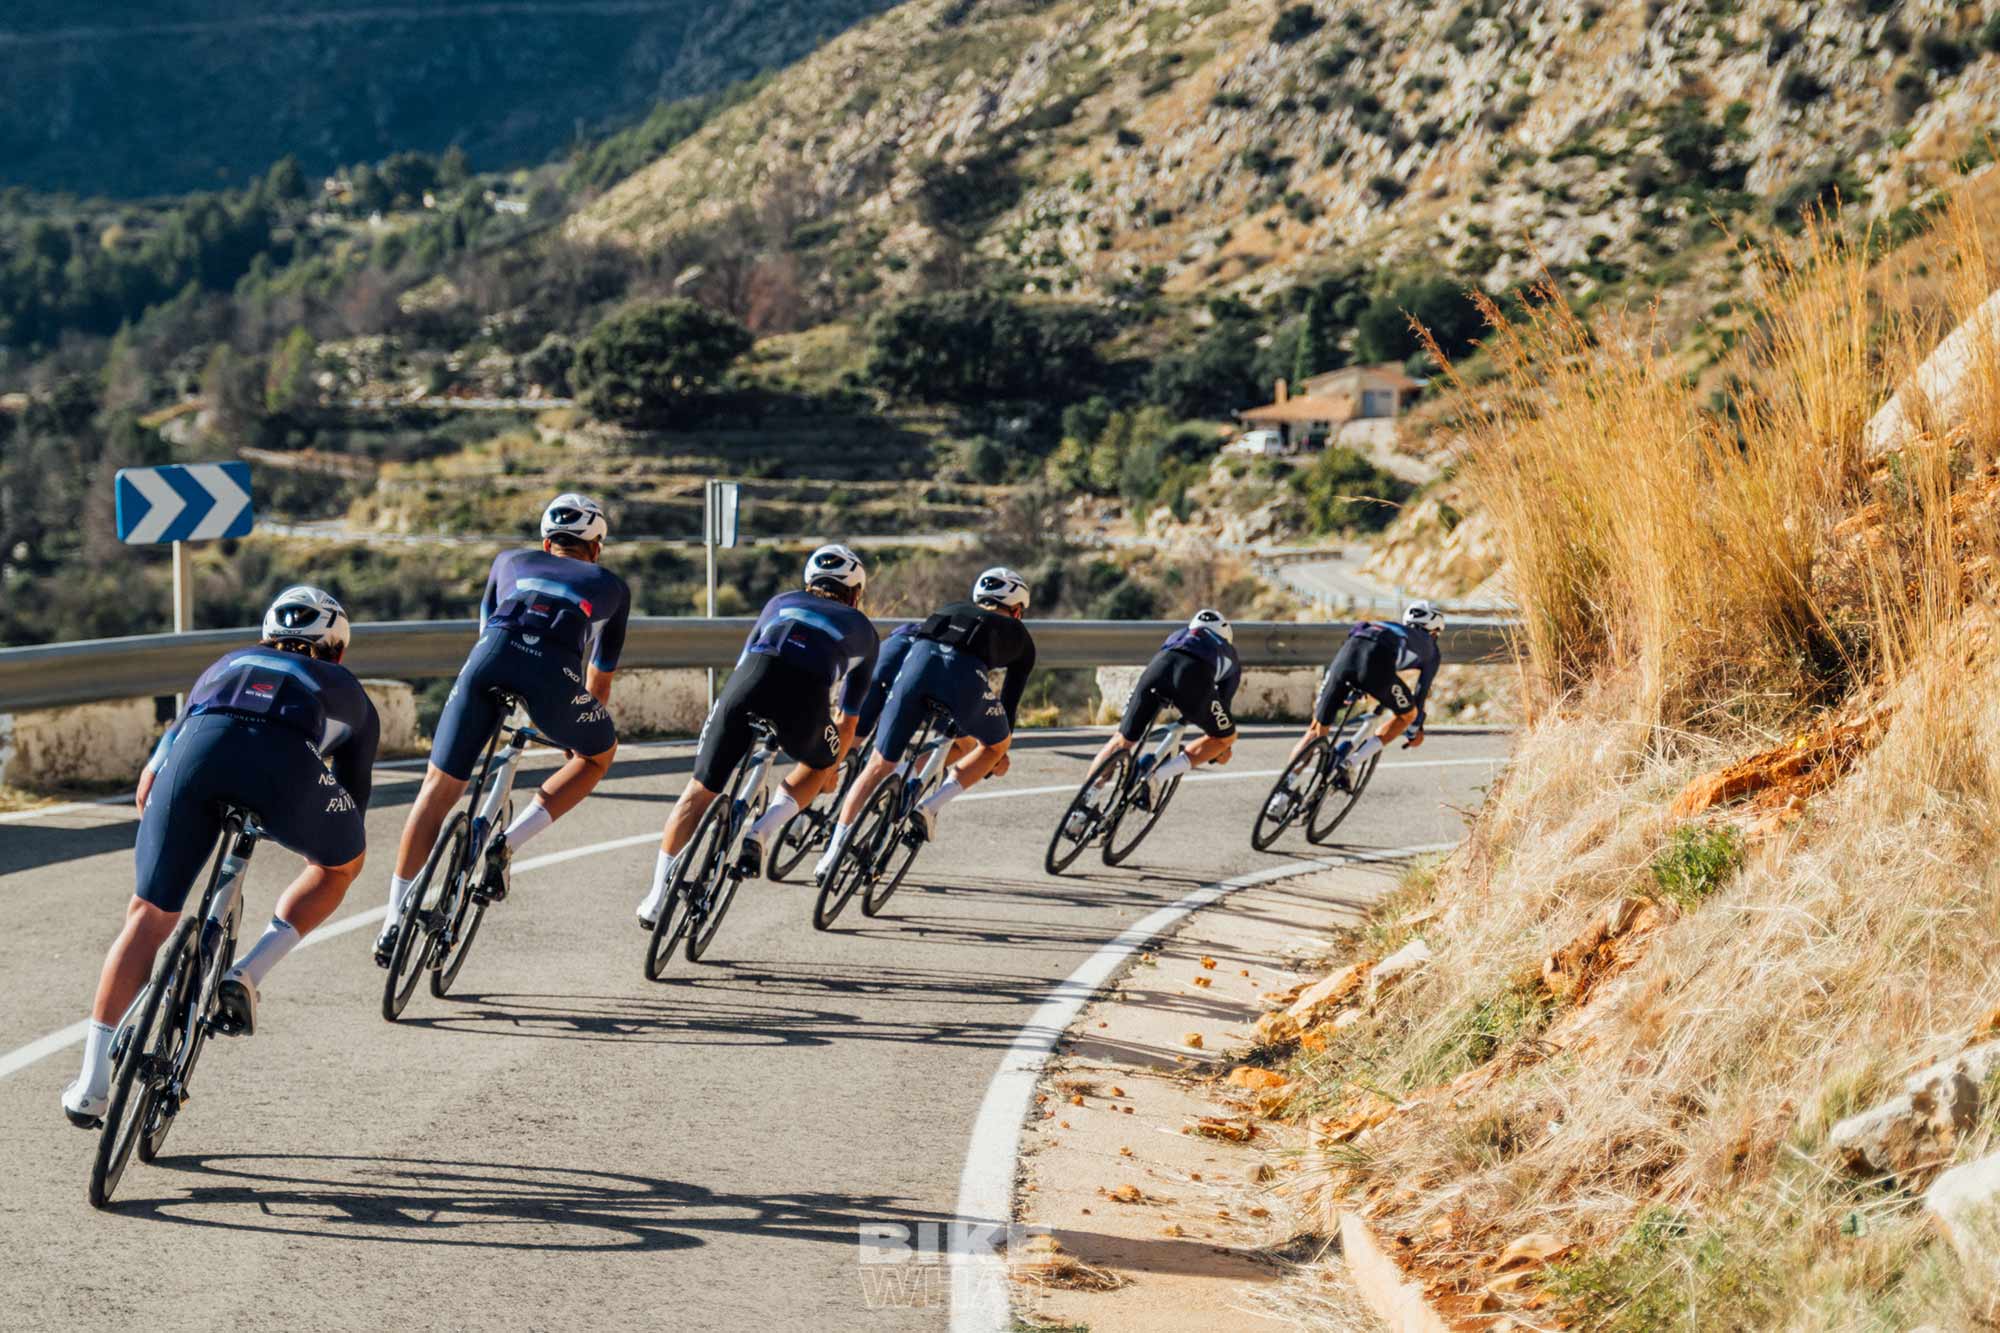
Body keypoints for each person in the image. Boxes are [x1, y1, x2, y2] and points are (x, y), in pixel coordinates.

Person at [62, 587, 380, 1126]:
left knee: (147, 916)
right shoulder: (347, 688)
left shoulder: (225, 664)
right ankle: (248, 973)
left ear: (266, 634)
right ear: (338, 650)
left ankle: (91, 1085)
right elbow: (352, 802)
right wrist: (299, 820)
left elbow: (149, 782)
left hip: (196, 755)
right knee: (342, 865)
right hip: (285, 769)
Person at [375, 494, 628, 964]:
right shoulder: (611, 586)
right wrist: (573, 738)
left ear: (546, 542)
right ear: (595, 548)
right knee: (598, 756)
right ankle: (506, 844)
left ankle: (392, 921)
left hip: (488, 662)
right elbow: (599, 681)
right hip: (553, 677)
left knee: (437, 787)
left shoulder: (508, 561)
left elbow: (485, 631)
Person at [638, 544, 879, 928]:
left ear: (809, 582)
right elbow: (847, 723)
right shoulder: (864, 631)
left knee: (699, 790)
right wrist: (829, 770)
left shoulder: (780, 602)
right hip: (804, 700)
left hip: (748, 682)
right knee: (820, 765)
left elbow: (743, 661)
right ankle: (760, 831)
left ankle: (655, 899)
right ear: (855, 594)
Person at [816, 567, 1035, 877]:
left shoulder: (950, 609)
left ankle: (829, 857)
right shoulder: (1021, 637)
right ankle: (929, 807)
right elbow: (1008, 707)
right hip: (964, 680)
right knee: (994, 746)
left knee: (877, 764)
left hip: (916, 667)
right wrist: (999, 755)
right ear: (1017, 611)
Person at [1270, 601, 1443, 817]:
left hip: (1347, 654)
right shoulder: (1431, 648)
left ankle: (1281, 793)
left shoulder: (1387, 625)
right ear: (1434, 631)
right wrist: (1414, 731)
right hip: (1378, 662)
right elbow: (1420, 693)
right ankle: (1349, 764)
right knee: (1408, 715)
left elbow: (1358, 648)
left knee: (1315, 731)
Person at [1075, 609, 1240, 831]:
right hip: (1195, 677)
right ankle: (1157, 776)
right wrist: (1221, 750)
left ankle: (1082, 806)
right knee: (1224, 738)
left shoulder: (1178, 634)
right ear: (1226, 635)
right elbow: (1221, 710)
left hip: (1157, 667)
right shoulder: (1229, 652)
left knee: (1121, 740)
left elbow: (1171, 666)